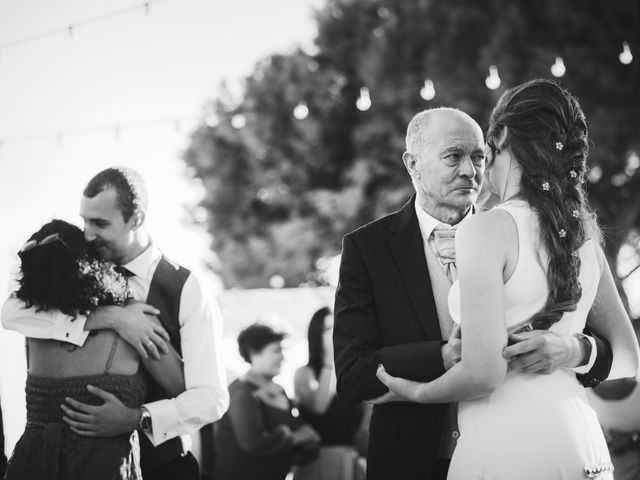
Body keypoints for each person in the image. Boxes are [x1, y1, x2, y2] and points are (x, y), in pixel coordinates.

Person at [333, 102, 616, 480]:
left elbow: (609, 343)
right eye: (453, 156)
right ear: (412, 164)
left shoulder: (518, 232)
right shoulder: (367, 249)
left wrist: (574, 349)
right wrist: (440, 357)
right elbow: (351, 375)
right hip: (408, 461)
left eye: (480, 156)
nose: (470, 170)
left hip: (515, 451)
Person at [2, 167, 229, 480]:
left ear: (136, 219)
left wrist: (138, 418)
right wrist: (114, 318)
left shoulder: (187, 288)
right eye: (84, 220)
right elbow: (12, 313)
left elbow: (212, 398)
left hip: (163, 467)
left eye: (100, 223)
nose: (88, 233)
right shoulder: (74, 268)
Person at [4, 219, 184, 479]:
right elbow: (186, 391)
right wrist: (136, 417)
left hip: (31, 465)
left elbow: (10, 310)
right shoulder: (136, 323)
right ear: (92, 264)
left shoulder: (34, 327)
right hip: (103, 467)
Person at [213, 323, 320, 480]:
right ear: (254, 353)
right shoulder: (240, 392)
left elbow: (306, 438)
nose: (283, 357)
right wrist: (290, 436)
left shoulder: (280, 390)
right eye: (277, 350)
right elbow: (252, 443)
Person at [293, 307, 364, 480]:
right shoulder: (305, 373)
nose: (334, 334)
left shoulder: (351, 371)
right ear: (317, 335)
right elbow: (319, 406)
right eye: (328, 329)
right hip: (319, 462)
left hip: (350, 459)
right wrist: (328, 361)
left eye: (337, 327)